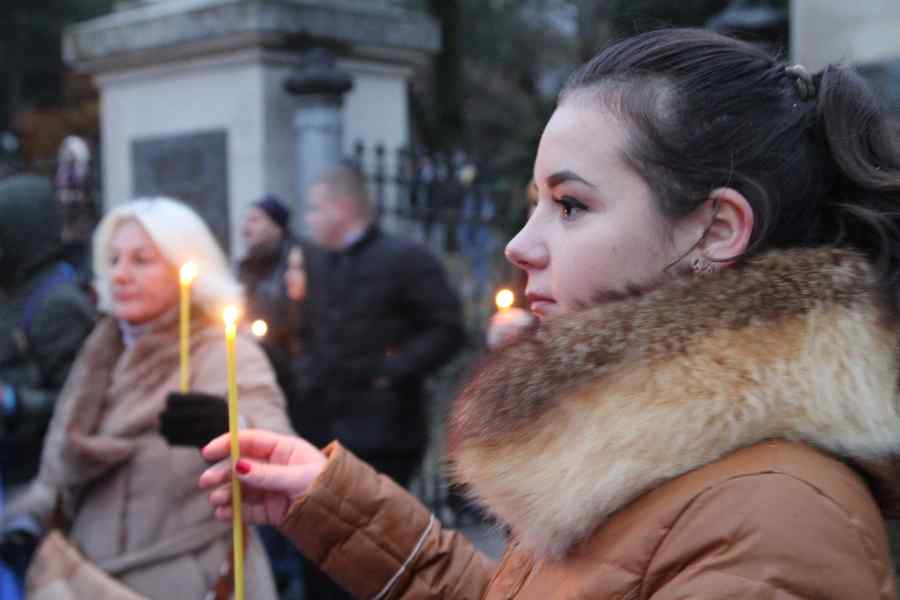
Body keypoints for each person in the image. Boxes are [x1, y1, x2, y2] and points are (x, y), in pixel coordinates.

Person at [200, 28, 900, 599]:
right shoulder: (643, 450)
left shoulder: (770, 520)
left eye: (570, 205)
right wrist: (338, 507)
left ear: (716, 229)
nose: (520, 244)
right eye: (536, 200)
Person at [2, 198, 292, 599]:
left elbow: (277, 448)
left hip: (187, 582)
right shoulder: (98, 353)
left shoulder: (223, 352)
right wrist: (21, 525)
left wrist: (230, 428)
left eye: (141, 260)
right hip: (84, 581)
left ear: (183, 269)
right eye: (114, 259)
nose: (120, 274)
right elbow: (56, 472)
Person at [0, 175, 96, 586]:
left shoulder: (60, 302)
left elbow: (81, 404)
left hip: (36, 490)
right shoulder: (16, 291)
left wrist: (14, 401)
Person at [238, 195, 299, 399]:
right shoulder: (244, 267)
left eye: (255, 219)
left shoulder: (294, 264)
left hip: (289, 372)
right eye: (246, 219)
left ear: (276, 227)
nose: (247, 226)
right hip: (254, 361)